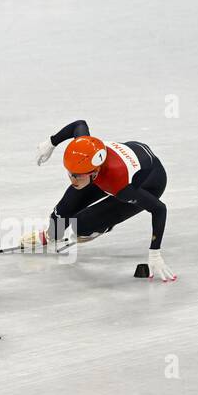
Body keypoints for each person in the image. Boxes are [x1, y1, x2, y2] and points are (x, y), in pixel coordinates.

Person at [25, 120, 175, 282]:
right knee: (61, 212)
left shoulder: (122, 186)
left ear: (94, 173)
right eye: (70, 172)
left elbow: (159, 209)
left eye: (76, 175)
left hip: (148, 183)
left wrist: (155, 252)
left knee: (81, 227)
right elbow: (79, 124)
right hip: (115, 165)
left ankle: (102, 225)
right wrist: (51, 142)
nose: (71, 179)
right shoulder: (85, 147)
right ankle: (52, 235)